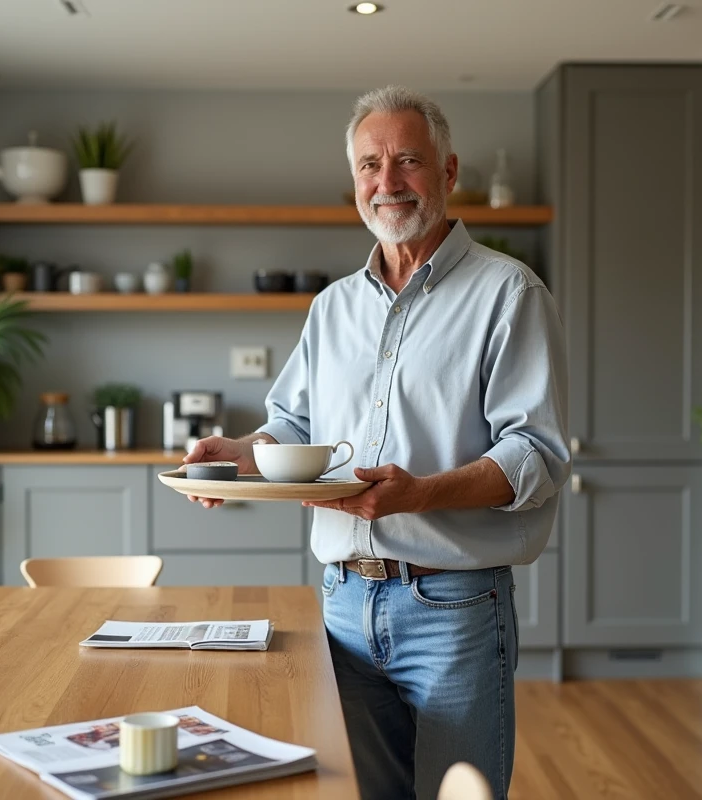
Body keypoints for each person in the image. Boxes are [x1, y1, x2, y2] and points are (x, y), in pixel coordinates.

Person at [182, 85, 570, 800]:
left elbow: (536, 455)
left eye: (407, 161)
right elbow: (294, 425)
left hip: (453, 609)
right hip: (340, 607)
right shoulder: (332, 307)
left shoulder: (509, 294)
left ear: (449, 173)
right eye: (369, 165)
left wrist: (421, 494)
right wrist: (240, 452)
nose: (386, 183)